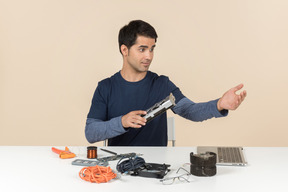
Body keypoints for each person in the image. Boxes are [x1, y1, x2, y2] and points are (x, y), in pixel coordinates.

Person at [85, 20, 246, 146]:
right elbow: (91, 132)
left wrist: (219, 104)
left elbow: (190, 110)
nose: (149, 56)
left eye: (152, 49)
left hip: (157, 168)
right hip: (119, 168)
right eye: (142, 49)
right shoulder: (105, 87)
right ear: (124, 50)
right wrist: (122, 122)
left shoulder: (162, 84)